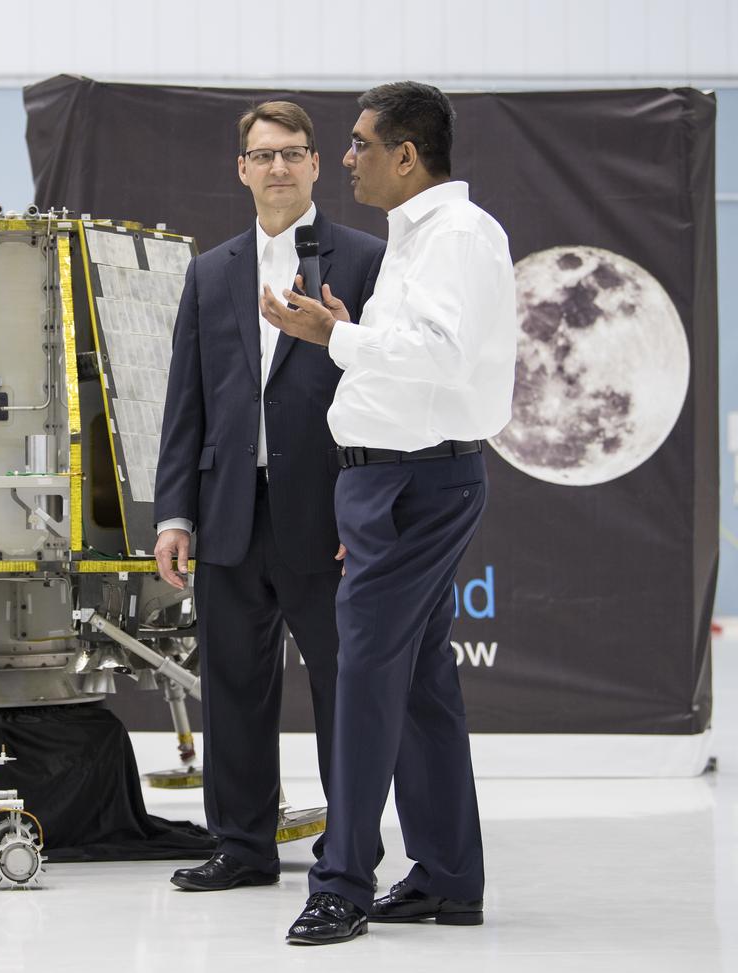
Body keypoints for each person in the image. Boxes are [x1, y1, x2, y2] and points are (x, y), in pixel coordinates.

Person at [259, 81, 517, 945]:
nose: (346, 157)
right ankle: (448, 876)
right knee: (418, 683)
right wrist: (346, 332)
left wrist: (333, 336)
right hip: (389, 481)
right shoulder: (418, 237)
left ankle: (341, 882)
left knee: (367, 674)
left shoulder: (457, 237)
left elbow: (440, 355)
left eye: (361, 143)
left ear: (406, 156)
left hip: (416, 481)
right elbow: (408, 361)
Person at [154, 101, 384, 892]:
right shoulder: (211, 271)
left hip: (327, 515)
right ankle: (242, 847)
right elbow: (187, 400)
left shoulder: (365, 261)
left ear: (317, 164)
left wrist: (367, 506)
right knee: (232, 688)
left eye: (292, 153)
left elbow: (383, 391)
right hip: (229, 512)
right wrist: (175, 514)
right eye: (263, 155)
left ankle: (348, 851)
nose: (278, 167)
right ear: (242, 169)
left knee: (342, 688)